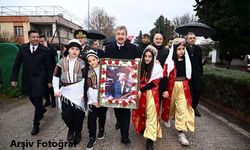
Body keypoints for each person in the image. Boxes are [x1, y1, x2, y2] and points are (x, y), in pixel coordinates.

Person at [11, 30, 52, 135]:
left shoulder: (45, 50)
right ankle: (41, 110)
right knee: (31, 98)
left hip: (40, 79)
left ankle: (36, 124)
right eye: (33, 37)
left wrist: (49, 81)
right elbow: (17, 64)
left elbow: (48, 67)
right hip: (27, 78)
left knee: (38, 99)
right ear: (29, 38)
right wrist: (14, 79)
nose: (36, 39)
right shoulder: (23, 49)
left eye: (37, 37)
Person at [105, 26, 140, 145]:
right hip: (114, 84)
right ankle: (119, 120)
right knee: (117, 107)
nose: (120, 36)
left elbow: (140, 63)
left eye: (122, 34)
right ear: (115, 36)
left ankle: (124, 136)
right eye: (118, 34)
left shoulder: (134, 48)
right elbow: (106, 67)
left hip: (128, 84)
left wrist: (138, 60)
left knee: (125, 110)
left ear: (126, 35)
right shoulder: (109, 48)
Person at [162, 38, 195, 146]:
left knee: (182, 110)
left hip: (183, 87)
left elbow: (190, 76)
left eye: (183, 48)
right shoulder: (170, 62)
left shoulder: (187, 61)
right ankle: (167, 118)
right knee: (170, 107)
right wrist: (165, 89)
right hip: (172, 87)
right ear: (175, 50)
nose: (181, 51)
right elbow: (165, 76)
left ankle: (181, 133)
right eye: (179, 49)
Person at [53, 39, 85, 144]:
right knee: (66, 115)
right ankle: (71, 129)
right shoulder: (61, 62)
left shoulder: (82, 62)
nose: (74, 51)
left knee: (79, 115)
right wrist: (56, 89)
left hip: (79, 91)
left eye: (77, 49)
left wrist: (84, 94)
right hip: (66, 92)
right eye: (72, 49)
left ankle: (78, 133)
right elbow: (55, 76)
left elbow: (85, 78)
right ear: (68, 49)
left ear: (79, 51)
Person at [132, 45, 163, 150]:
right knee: (140, 113)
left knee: (151, 116)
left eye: (150, 56)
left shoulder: (157, 67)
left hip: (151, 94)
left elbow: (155, 83)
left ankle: (150, 140)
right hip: (140, 94)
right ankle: (142, 129)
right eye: (145, 56)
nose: (147, 58)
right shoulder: (140, 65)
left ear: (153, 57)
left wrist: (141, 90)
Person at [85, 50, 108, 150]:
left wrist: (102, 99)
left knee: (102, 115)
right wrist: (94, 100)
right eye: (89, 61)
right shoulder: (89, 71)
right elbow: (89, 87)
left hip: (103, 97)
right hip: (92, 98)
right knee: (91, 119)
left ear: (97, 59)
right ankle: (92, 137)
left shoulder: (105, 69)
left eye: (93, 60)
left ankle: (102, 128)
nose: (92, 62)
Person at [186, 32, 203, 117]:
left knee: (197, 91)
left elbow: (200, 61)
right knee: (189, 91)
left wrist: (201, 73)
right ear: (187, 39)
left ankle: (194, 107)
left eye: (193, 38)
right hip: (188, 74)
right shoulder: (184, 48)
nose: (192, 39)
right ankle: (187, 108)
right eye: (190, 38)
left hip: (197, 73)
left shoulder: (198, 48)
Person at [39, 35, 57, 108]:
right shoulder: (39, 48)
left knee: (51, 87)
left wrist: (47, 48)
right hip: (42, 71)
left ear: (46, 41)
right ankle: (47, 101)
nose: (41, 42)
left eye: (42, 41)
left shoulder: (50, 47)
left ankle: (53, 102)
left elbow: (54, 54)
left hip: (51, 70)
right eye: (40, 41)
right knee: (44, 87)